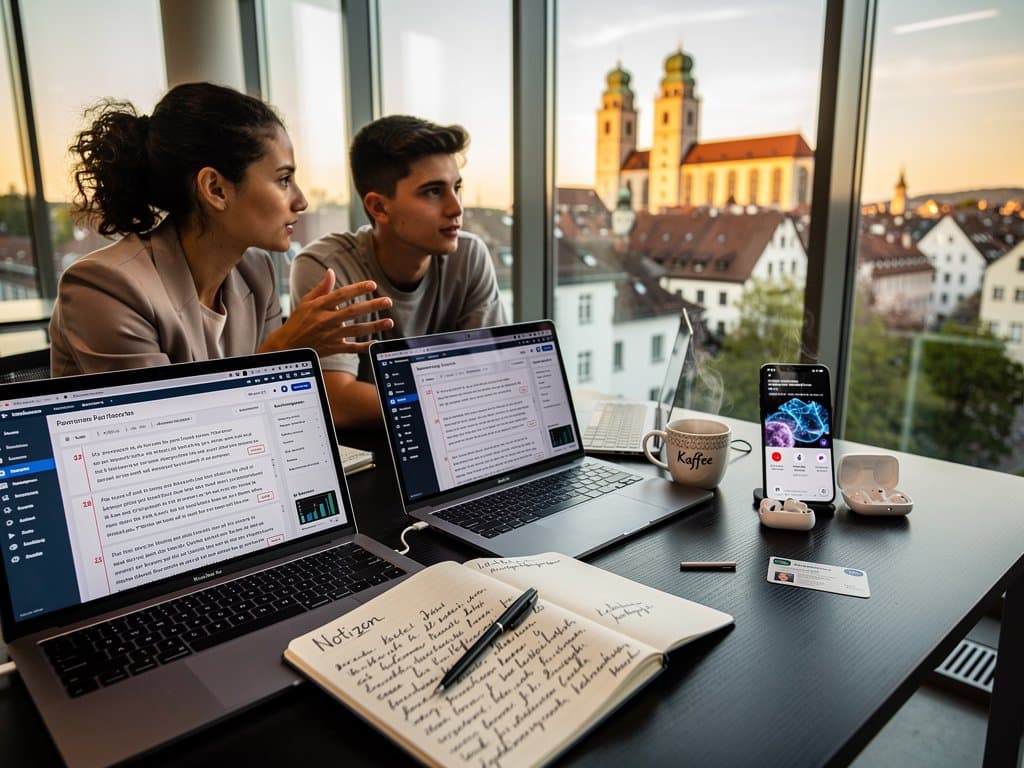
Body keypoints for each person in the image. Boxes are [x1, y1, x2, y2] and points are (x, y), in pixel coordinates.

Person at [50, 82, 393, 378]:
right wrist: (286, 348)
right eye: (284, 179)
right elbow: (170, 438)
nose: (301, 201)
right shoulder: (105, 288)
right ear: (215, 189)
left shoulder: (256, 272)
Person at [289, 115, 506, 428]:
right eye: (433, 191)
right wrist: (456, 399)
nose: (456, 208)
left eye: (456, 188)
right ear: (379, 207)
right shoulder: (328, 268)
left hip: (455, 442)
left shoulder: (469, 256)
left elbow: (492, 376)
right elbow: (337, 402)